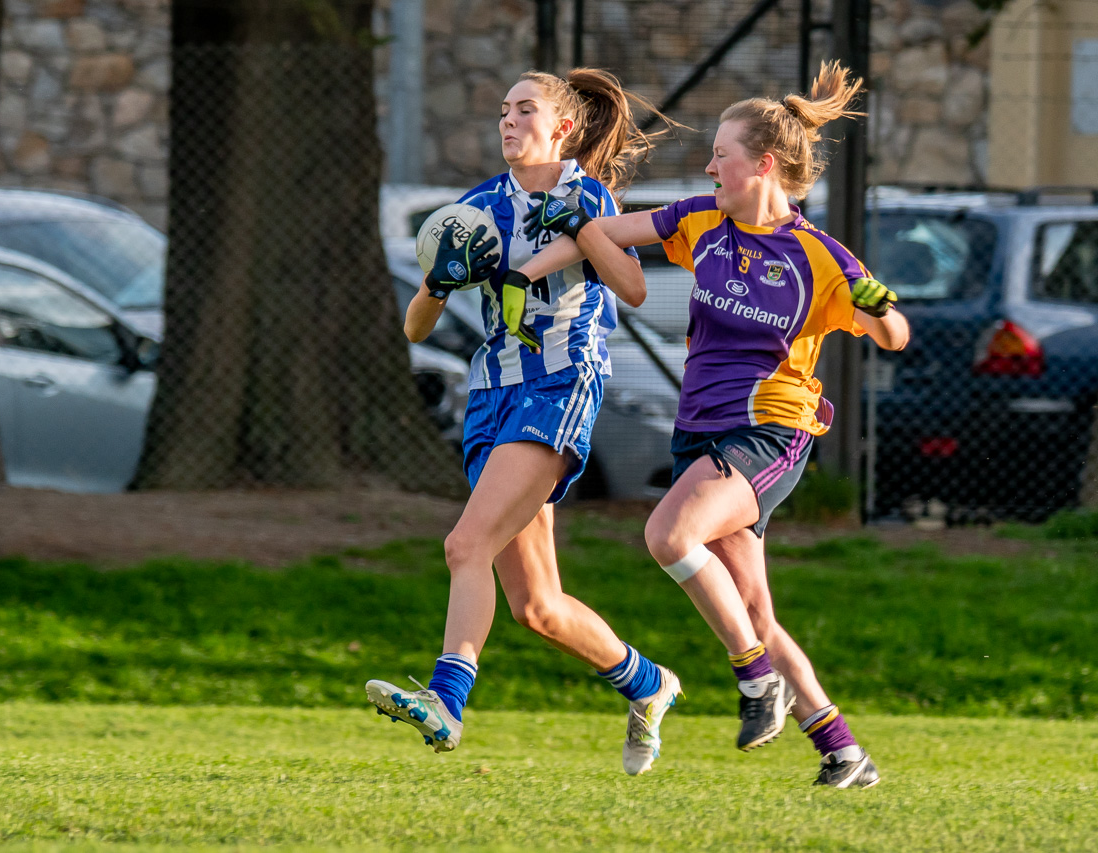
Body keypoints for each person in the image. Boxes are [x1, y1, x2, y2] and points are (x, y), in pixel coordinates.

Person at [516, 62, 908, 789]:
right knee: (754, 606)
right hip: (700, 431)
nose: (709, 166)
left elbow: (894, 334)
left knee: (668, 533)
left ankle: (757, 681)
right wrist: (529, 267)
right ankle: (843, 747)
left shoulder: (820, 257)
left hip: (768, 432)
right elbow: (602, 234)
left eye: (721, 154)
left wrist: (877, 299)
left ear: (762, 164)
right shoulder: (702, 221)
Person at [366, 68, 685, 776]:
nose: (508, 120)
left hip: (559, 386)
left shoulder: (587, 196)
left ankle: (447, 704)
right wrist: (441, 280)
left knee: (464, 543)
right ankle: (649, 682)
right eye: (503, 109)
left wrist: (583, 230)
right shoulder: (475, 208)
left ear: (564, 127)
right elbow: (419, 325)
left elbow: (632, 288)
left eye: (525, 109)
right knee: (537, 607)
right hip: (494, 399)